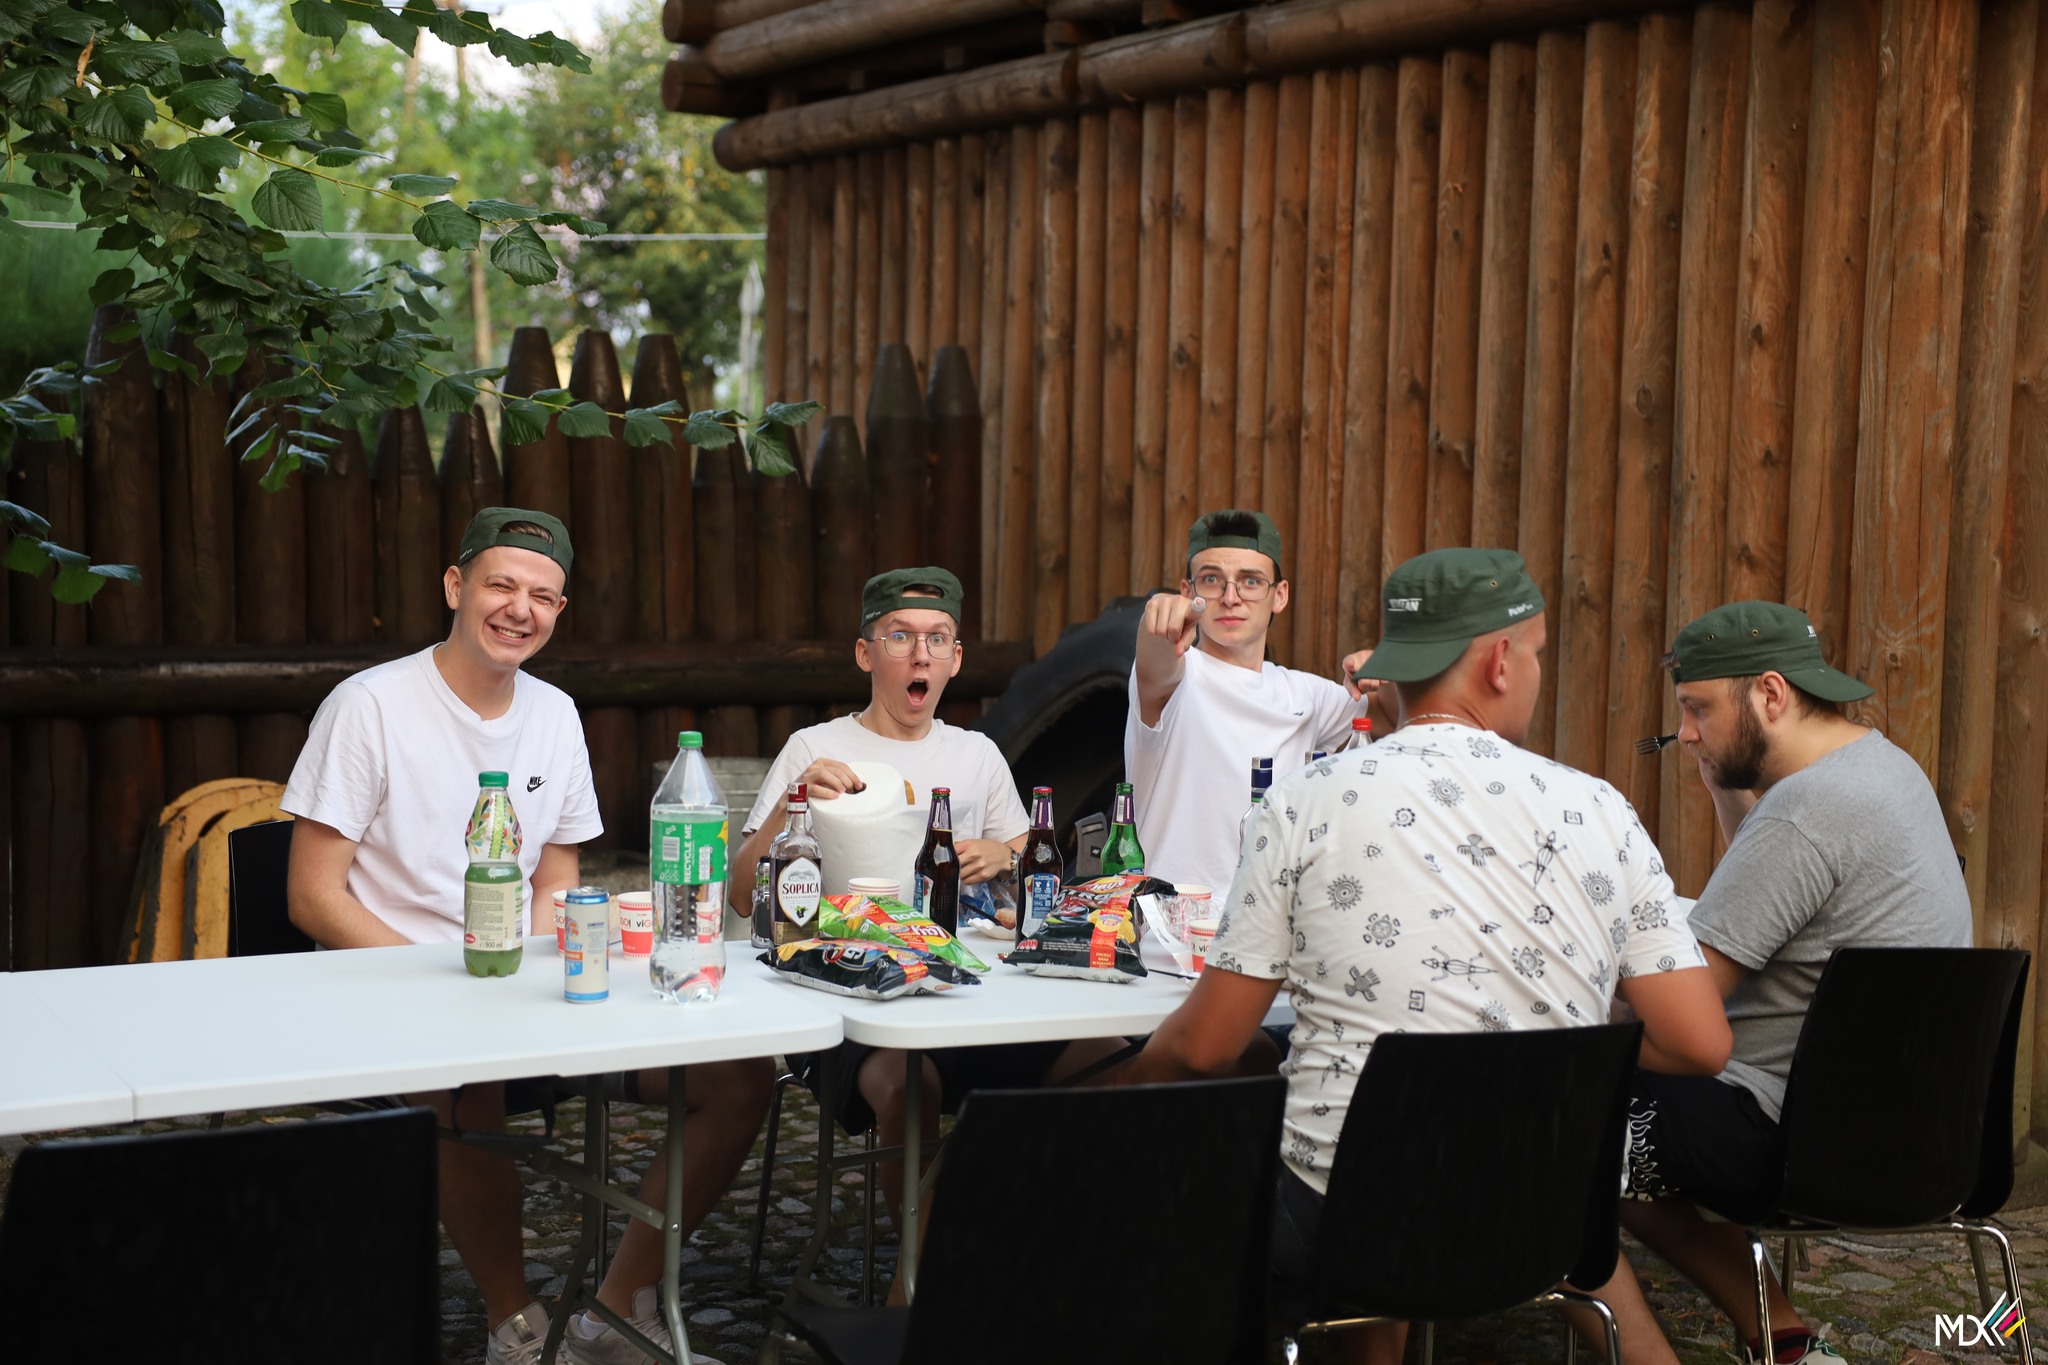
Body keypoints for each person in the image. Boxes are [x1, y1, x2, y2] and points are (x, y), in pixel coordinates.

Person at [1120, 548, 1732, 1365]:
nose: (1535, 671)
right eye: (1538, 653)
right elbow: (1701, 1043)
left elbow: (1204, 1049)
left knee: (1197, 1158)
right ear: (1500, 661)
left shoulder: (1303, 801)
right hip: (1546, 1215)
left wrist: (1108, 1099)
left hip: (1344, 1223)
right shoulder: (1603, 809)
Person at [283, 508, 771, 1365]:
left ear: (560, 610)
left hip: (524, 987)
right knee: (465, 1078)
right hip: (393, 992)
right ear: (455, 585)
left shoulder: (555, 712)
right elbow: (313, 897)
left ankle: (613, 1315)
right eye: (501, 585)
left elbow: (556, 880)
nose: (520, 608)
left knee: (739, 1076)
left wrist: (540, 971)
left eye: (542, 595)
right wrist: (450, 981)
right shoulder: (369, 705)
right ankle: (515, 1327)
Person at [1597, 602, 1973, 1365]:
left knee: (1565, 1118)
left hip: (1794, 1135)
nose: (1687, 733)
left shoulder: (1805, 811)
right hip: (1914, 1128)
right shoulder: (1886, 770)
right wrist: (1724, 782)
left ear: (1770, 693)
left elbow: (1679, 1008)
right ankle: (1785, 1339)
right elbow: (1774, 891)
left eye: (1698, 708)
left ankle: (1744, 1343)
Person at [735, 567, 1123, 1231]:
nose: (921, 654)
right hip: (849, 1000)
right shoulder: (815, 747)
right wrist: (791, 803)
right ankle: (924, 1273)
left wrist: (1004, 856)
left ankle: (1048, 1234)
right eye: (900, 636)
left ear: (956, 659)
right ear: (865, 653)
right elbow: (744, 896)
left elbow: (1027, 868)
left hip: (970, 995)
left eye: (937, 638)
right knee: (911, 1086)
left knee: (1114, 1056)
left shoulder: (975, 755)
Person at [1125, 508, 1374, 893]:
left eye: (1251, 581)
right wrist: (1156, 622)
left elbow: (1396, 714)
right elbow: (1156, 662)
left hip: (1268, 919)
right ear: (1188, 593)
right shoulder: (1181, 674)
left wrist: (1380, 669)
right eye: (1211, 580)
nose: (1231, 598)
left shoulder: (1306, 694)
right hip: (1170, 917)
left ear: (1279, 595)